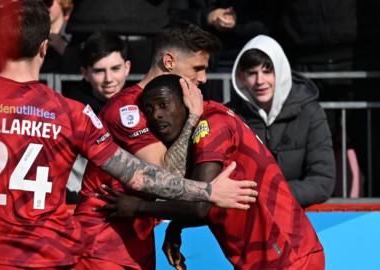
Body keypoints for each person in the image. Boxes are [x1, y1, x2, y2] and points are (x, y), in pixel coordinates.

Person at [0, 1, 257, 269]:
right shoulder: (72, 112)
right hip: (52, 257)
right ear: (44, 48)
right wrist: (207, 190)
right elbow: (140, 174)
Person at [98, 74, 325, 270]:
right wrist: (178, 225)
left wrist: (137, 207)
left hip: (288, 255)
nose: (156, 115)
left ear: (186, 102)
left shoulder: (210, 127)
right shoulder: (210, 122)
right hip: (268, 257)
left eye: (164, 105)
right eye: (150, 109)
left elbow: (199, 205)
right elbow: (215, 199)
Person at [73, 21, 239, 270]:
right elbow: (167, 173)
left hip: (134, 240)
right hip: (102, 243)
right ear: (169, 61)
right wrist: (193, 118)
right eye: (197, 68)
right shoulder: (127, 109)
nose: (203, 78)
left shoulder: (170, 109)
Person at [226, 35, 335, 207]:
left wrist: (273, 195)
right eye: (252, 73)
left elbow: (322, 181)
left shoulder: (310, 112)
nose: (260, 81)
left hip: (297, 216)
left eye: (267, 71)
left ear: (281, 71)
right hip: (246, 217)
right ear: (240, 76)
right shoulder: (229, 116)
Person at [63, 32, 131, 203]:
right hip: (79, 200)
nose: (109, 79)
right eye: (99, 71)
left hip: (130, 201)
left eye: (115, 69)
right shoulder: (69, 109)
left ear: (127, 68)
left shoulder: (143, 104)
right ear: (85, 73)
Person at [39, 0, 72, 74]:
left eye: (48, 3)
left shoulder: (72, 32)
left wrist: (63, 48)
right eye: (39, 4)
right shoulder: (32, 33)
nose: (43, 7)